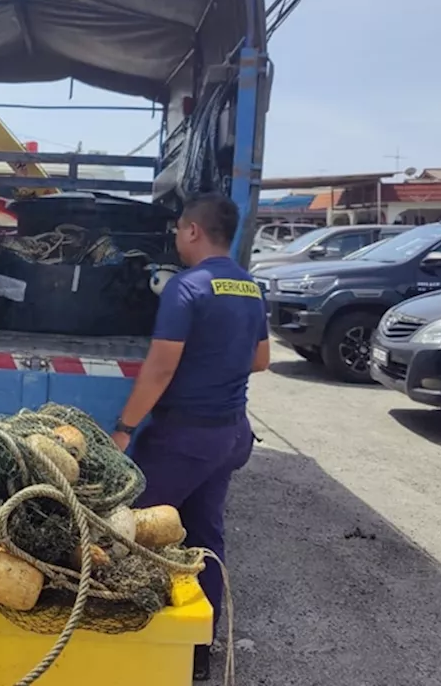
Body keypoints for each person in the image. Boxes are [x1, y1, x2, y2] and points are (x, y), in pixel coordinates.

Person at [110, 193, 270, 681]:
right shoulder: (249, 287)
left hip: (184, 438)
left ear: (195, 231)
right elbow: (261, 360)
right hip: (230, 436)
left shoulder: (187, 288)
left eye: (180, 229)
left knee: (126, 533)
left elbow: (159, 370)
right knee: (204, 537)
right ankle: (198, 651)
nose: (177, 238)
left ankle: (126, 639)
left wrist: (123, 429)